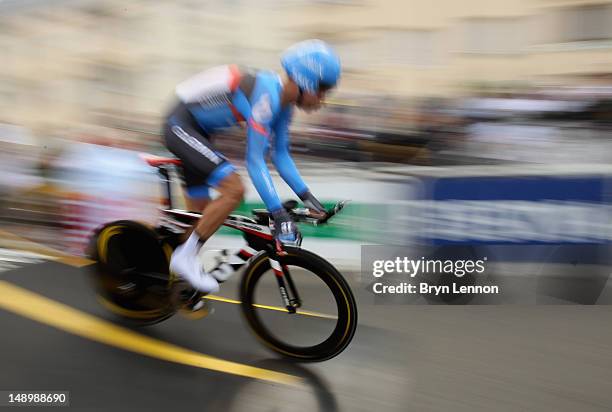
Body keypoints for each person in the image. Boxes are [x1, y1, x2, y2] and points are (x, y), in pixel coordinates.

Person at [163, 39, 341, 293]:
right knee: (234, 190)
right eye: (323, 89)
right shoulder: (267, 95)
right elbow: (255, 160)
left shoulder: (283, 105)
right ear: (306, 81)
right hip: (179, 125)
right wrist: (278, 214)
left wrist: (310, 201)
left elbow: (280, 156)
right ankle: (183, 260)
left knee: (200, 219)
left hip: (198, 132)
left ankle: (172, 284)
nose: (324, 98)